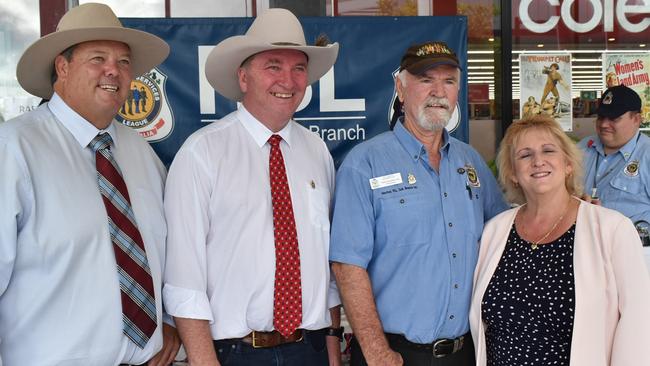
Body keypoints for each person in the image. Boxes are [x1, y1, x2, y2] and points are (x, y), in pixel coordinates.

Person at [0, 3, 180, 366]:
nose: (113, 70)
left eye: (124, 62)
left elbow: (166, 254)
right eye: (98, 58)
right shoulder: (13, 149)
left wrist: (168, 322)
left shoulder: (141, 153)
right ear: (62, 67)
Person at [163, 8, 342, 366]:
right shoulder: (203, 153)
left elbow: (326, 268)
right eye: (273, 66)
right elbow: (185, 279)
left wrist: (333, 353)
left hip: (311, 349)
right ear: (243, 78)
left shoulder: (316, 150)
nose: (288, 81)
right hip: (235, 354)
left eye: (299, 68)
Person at [329, 41, 508, 366]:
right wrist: (376, 351)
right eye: (426, 79)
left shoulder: (472, 164)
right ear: (400, 87)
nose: (438, 91)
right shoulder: (364, 164)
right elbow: (347, 266)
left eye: (449, 81)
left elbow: (506, 236)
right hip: (393, 355)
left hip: (465, 353)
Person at [470, 115, 650, 365]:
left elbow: (637, 326)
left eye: (548, 150)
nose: (538, 161)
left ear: (568, 164)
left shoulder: (612, 229)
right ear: (513, 174)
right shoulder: (495, 232)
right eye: (525, 155)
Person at [579, 85, 650, 227]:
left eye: (614, 118)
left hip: (633, 246)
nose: (604, 124)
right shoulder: (582, 148)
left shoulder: (647, 155)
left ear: (636, 119)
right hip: (583, 241)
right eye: (601, 117)